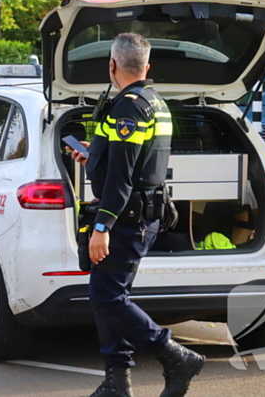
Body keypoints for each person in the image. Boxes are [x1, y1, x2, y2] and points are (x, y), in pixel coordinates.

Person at [70, 33, 205, 397]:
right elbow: (132, 158)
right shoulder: (154, 102)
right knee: (112, 293)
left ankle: (174, 355)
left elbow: (122, 176)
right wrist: (93, 153)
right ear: (147, 66)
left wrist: (102, 227)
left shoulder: (128, 106)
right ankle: (117, 381)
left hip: (128, 216)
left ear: (112, 65)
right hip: (142, 212)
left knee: (106, 296)